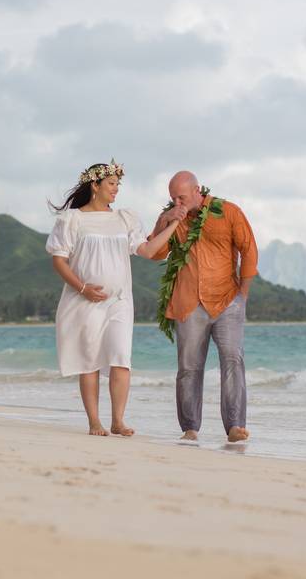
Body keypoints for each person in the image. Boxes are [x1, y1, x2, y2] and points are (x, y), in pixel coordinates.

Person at [46, 161, 183, 437]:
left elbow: (145, 250)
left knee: (121, 357)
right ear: (95, 186)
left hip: (120, 301)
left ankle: (118, 420)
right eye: (111, 184)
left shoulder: (124, 218)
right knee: (90, 360)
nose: (116, 190)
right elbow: (59, 261)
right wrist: (82, 287)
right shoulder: (73, 220)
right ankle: (94, 422)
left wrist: (174, 224)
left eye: (118, 185)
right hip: (85, 301)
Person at [147, 171, 258, 443]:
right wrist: (167, 221)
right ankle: (190, 428)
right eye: (173, 198)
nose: (177, 202)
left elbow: (249, 249)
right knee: (188, 367)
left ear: (197, 190)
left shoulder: (228, 212)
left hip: (227, 300)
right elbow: (156, 252)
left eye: (181, 197)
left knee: (233, 360)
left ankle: (234, 426)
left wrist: (243, 292)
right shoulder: (171, 217)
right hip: (188, 302)